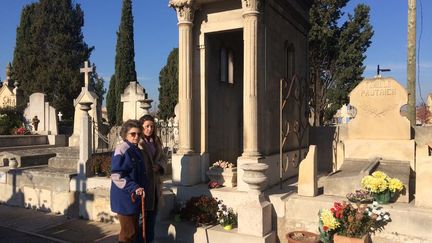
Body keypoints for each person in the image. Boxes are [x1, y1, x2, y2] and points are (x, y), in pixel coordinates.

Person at [110, 119, 148, 243]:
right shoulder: (122, 149)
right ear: (126, 135)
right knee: (128, 234)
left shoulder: (136, 149)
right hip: (125, 198)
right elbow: (116, 175)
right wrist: (134, 187)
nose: (136, 136)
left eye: (138, 134)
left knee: (134, 232)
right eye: (133, 134)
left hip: (134, 197)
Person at [137, 114, 167, 243]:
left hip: (155, 186)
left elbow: (163, 158)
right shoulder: (138, 142)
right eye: (147, 126)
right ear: (141, 127)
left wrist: (159, 166)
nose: (150, 129)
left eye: (152, 126)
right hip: (144, 185)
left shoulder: (156, 141)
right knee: (141, 222)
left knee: (152, 221)